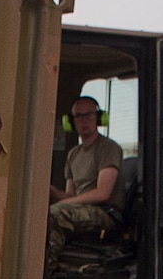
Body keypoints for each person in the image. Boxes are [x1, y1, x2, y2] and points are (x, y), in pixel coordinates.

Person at [48, 94, 124, 254]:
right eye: (78, 116)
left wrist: (63, 204)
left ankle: (48, 266)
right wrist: (51, 191)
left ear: (99, 118)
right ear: (71, 122)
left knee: (54, 214)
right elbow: (71, 195)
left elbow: (103, 193)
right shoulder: (73, 154)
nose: (84, 121)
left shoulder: (108, 148)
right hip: (80, 210)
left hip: (105, 212)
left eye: (89, 115)